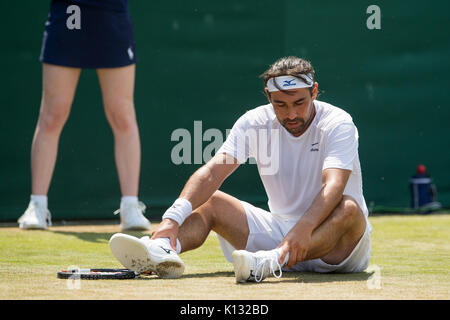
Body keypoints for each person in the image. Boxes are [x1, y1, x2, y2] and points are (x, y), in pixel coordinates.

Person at [109, 56, 372, 282]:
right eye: (280, 104)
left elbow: (333, 185)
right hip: (278, 235)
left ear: (314, 91)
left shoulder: (338, 123)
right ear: (268, 97)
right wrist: (171, 220)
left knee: (349, 208)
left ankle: (273, 260)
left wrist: (303, 230)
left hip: (337, 249)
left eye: (299, 103)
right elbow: (213, 173)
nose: (291, 114)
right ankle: (163, 250)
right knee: (210, 202)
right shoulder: (253, 121)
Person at [17, 0, 150, 231]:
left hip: (110, 14)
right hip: (68, 12)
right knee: (53, 113)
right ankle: (36, 205)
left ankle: (130, 208)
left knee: (122, 115)